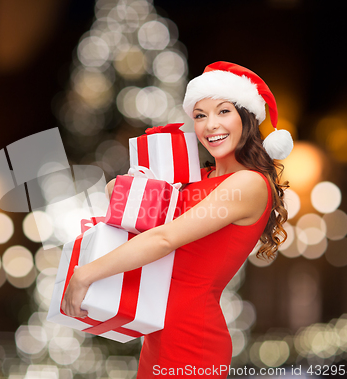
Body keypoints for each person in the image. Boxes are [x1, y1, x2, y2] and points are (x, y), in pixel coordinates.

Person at [61, 61, 292, 378]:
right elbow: (125, 199)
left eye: (223, 112)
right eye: (200, 115)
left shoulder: (248, 184)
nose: (210, 125)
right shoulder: (200, 179)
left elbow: (164, 238)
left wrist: (86, 274)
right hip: (159, 331)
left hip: (192, 337)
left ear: (246, 118)